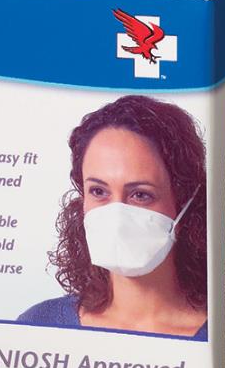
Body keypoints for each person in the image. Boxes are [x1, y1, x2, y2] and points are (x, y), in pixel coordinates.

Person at [19, 95, 207, 339]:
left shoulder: (219, 336)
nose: (116, 215)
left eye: (140, 195)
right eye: (99, 191)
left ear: (185, 203)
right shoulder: (39, 325)